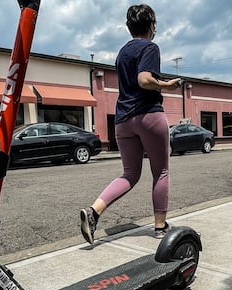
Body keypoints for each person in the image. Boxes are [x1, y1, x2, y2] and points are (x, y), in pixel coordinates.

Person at [79, 4, 181, 245]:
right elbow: (145, 80)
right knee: (161, 171)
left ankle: (94, 211)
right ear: (152, 25)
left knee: (129, 174)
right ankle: (159, 227)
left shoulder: (122, 53)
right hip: (148, 116)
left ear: (129, 27)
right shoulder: (150, 47)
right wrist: (168, 85)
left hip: (123, 119)